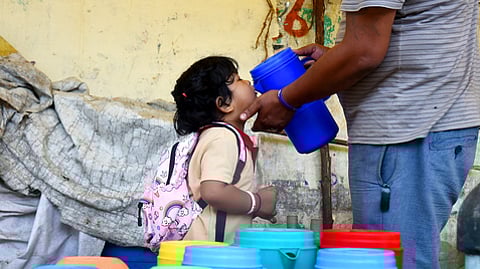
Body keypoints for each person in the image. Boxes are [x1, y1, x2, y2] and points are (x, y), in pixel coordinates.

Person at [240, 1, 480, 268]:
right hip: (430, 122)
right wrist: (337, 60)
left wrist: (286, 100)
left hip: (407, 127)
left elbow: (364, 51)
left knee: (387, 260)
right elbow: (382, 38)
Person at [171, 56, 277, 243]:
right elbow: (213, 192)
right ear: (224, 104)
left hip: (207, 251)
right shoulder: (223, 137)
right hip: (210, 253)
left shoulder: (216, 135)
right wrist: (258, 203)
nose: (248, 82)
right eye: (237, 80)